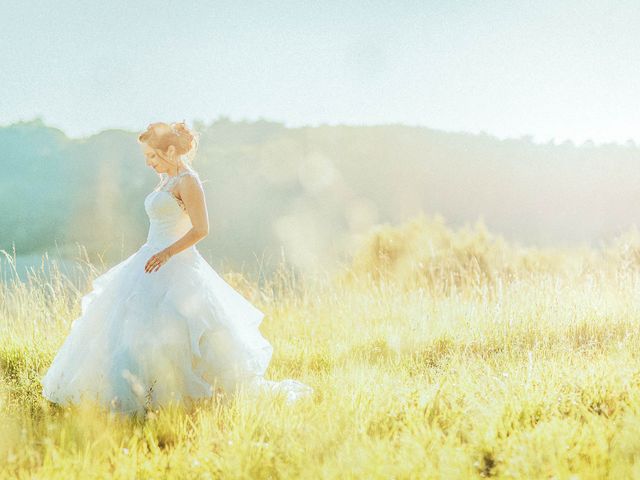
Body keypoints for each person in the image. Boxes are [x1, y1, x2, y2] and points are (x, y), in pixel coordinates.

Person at [41, 121, 313, 416]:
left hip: (176, 262)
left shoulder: (188, 181)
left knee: (176, 328)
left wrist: (168, 253)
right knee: (126, 324)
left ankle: (181, 396)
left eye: (153, 156)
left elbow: (202, 229)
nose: (148, 162)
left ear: (170, 150)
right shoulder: (165, 181)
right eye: (147, 157)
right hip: (149, 259)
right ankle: (127, 390)